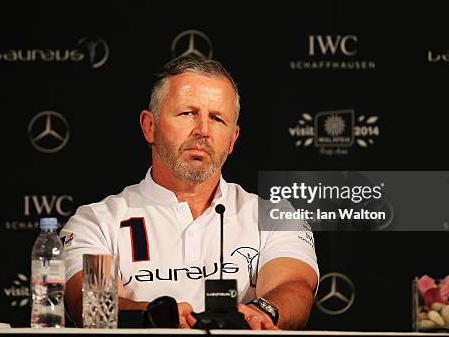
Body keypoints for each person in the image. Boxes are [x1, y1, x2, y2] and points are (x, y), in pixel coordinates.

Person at [61, 55, 319, 330]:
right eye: (188, 113)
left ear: (233, 139)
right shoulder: (96, 222)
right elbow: (92, 303)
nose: (203, 131)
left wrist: (261, 313)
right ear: (150, 126)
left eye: (218, 118)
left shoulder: (274, 217)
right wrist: (159, 317)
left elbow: (294, 286)